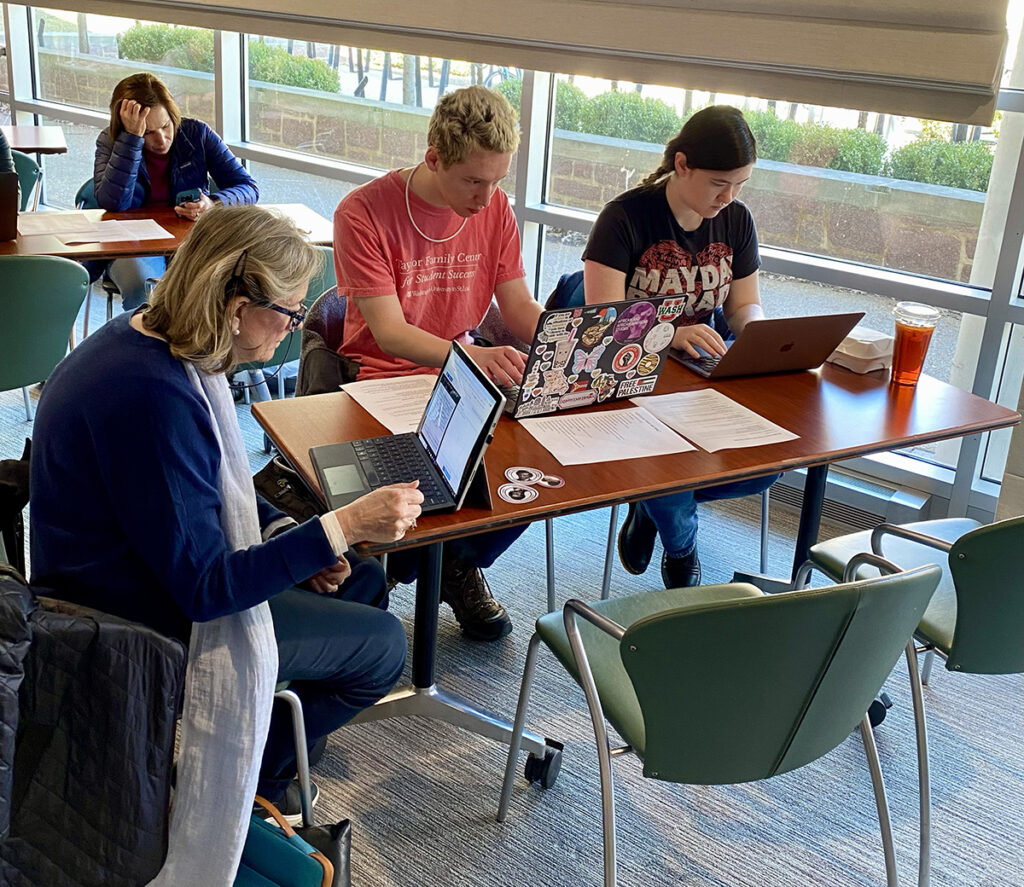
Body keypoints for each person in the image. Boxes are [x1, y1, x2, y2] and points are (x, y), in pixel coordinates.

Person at [30, 204, 423, 825]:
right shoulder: (153, 398)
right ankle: (255, 784)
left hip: (132, 566)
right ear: (238, 307)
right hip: (121, 612)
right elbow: (206, 589)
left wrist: (287, 533)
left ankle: (278, 749)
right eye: (290, 311)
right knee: (381, 648)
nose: (293, 328)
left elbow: (212, 487)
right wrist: (339, 527)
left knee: (364, 580)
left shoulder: (150, 342)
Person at [333, 85, 543, 641]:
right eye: (473, 180)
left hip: (461, 372)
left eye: (498, 180)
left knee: (540, 474)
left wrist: (567, 342)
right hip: (382, 377)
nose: (486, 196)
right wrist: (473, 356)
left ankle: (453, 560)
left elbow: (519, 308)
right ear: (433, 159)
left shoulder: (494, 207)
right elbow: (391, 333)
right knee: (451, 473)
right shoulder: (363, 212)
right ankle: (428, 558)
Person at [582, 105, 779, 588]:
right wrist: (668, 333)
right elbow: (601, 322)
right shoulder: (624, 218)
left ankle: (652, 503)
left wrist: (754, 332)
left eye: (741, 185)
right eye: (719, 183)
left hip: (700, 373)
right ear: (683, 164)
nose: (729, 197)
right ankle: (681, 541)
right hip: (632, 375)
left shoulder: (736, 221)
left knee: (768, 467)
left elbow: (742, 305)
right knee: (660, 458)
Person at [92, 72, 259, 311]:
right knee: (144, 290)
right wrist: (131, 141)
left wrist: (213, 203)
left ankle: (202, 347)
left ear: (173, 115)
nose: (161, 139)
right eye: (148, 132)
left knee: (224, 286)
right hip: (132, 247)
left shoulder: (196, 134)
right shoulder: (111, 142)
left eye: (165, 126)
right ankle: (146, 347)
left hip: (192, 242)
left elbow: (248, 187)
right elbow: (114, 202)